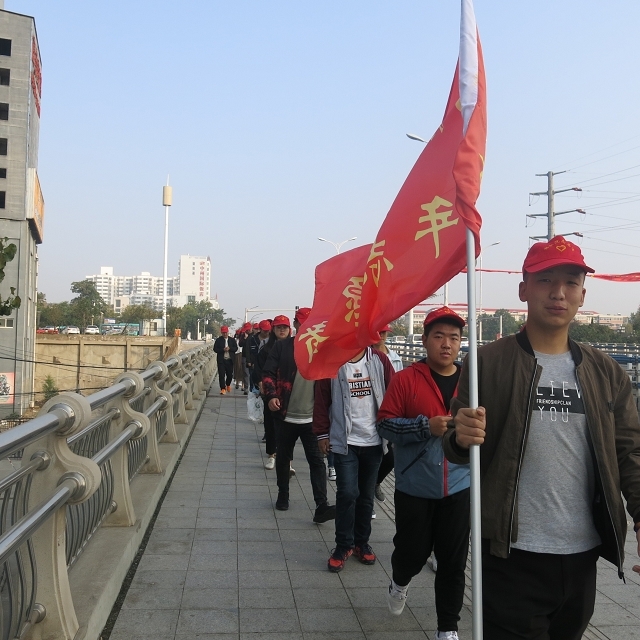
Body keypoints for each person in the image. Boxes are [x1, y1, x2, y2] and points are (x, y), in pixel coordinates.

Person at [443, 236, 640, 640]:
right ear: (524, 290)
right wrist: (460, 437)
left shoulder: (608, 373)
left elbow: (630, 453)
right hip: (509, 554)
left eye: (570, 282)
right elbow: (455, 444)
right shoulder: (486, 363)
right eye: (545, 279)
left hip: (583, 554)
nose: (558, 292)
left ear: (582, 295)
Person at [377, 307, 469, 640]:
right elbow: (385, 425)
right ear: (425, 339)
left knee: (453, 562)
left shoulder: (472, 382)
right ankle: (400, 581)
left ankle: (448, 627)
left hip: (459, 485)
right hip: (414, 486)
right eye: (439, 336)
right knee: (411, 554)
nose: (447, 344)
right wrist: (423, 426)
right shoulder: (406, 379)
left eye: (454, 337)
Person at [314, 345, 395, 572]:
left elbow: (394, 393)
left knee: (366, 496)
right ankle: (343, 545)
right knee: (347, 493)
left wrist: (395, 428)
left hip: (374, 441)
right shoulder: (333, 363)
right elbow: (321, 400)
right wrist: (322, 433)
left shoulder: (379, 360)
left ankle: (361, 542)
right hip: (345, 441)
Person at [262, 312, 336, 523]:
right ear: (296, 325)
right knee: (283, 458)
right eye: (302, 324)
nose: (306, 328)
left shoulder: (321, 349)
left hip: (312, 419)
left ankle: (321, 505)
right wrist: (271, 396)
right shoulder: (283, 347)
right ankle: (283, 494)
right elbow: (267, 373)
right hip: (285, 416)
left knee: (317, 462)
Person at [372, 324, 403, 504]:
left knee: (390, 458)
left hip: (390, 412)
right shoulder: (365, 355)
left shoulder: (395, 358)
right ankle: (367, 495)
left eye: (384, 332)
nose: (382, 335)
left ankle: (375, 482)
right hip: (370, 412)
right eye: (379, 332)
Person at [213, 326, 237, 394]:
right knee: (221, 375)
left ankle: (228, 384)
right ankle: (223, 388)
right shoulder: (218, 340)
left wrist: (230, 348)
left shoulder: (232, 340)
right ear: (221, 333)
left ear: (228, 332)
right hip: (221, 360)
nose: (225, 334)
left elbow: (236, 348)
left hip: (230, 360)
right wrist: (222, 349)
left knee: (230, 375)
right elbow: (215, 349)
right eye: (223, 333)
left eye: (226, 332)